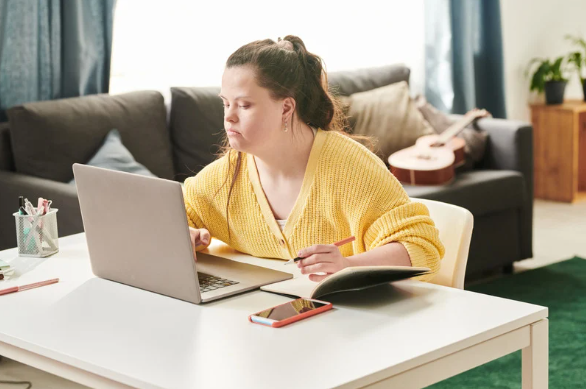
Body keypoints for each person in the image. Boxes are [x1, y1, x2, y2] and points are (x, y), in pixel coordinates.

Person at [183, 35, 444, 282]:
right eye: (225, 103)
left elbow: (422, 246)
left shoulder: (350, 168)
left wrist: (347, 265)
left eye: (244, 105)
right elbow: (178, 211)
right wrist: (186, 234)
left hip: (356, 319)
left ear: (286, 107)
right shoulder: (229, 173)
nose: (229, 117)